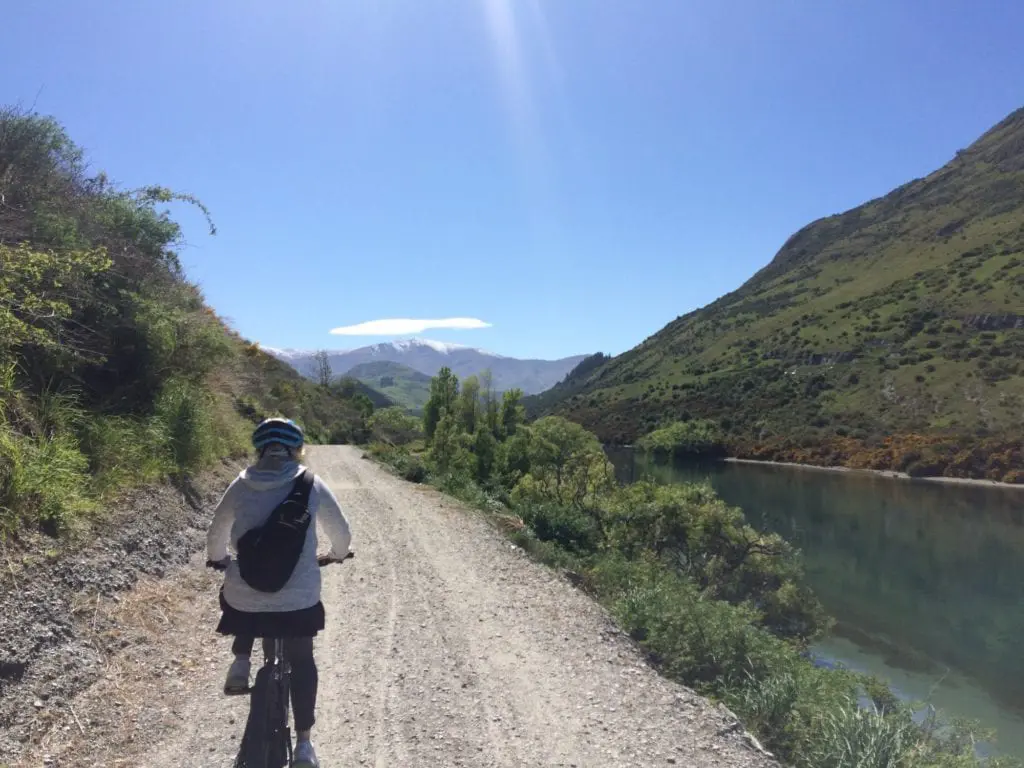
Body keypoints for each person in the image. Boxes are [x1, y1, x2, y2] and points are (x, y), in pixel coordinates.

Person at [206, 417, 351, 768]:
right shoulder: (311, 484)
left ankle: (241, 663)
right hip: (298, 601)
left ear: (259, 448)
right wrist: (335, 555)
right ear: (296, 449)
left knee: (238, 591)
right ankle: (304, 746)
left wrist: (219, 560)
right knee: (302, 660)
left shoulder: (240, 485)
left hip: (245, 598)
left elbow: (216, 533)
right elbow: (342, 535)